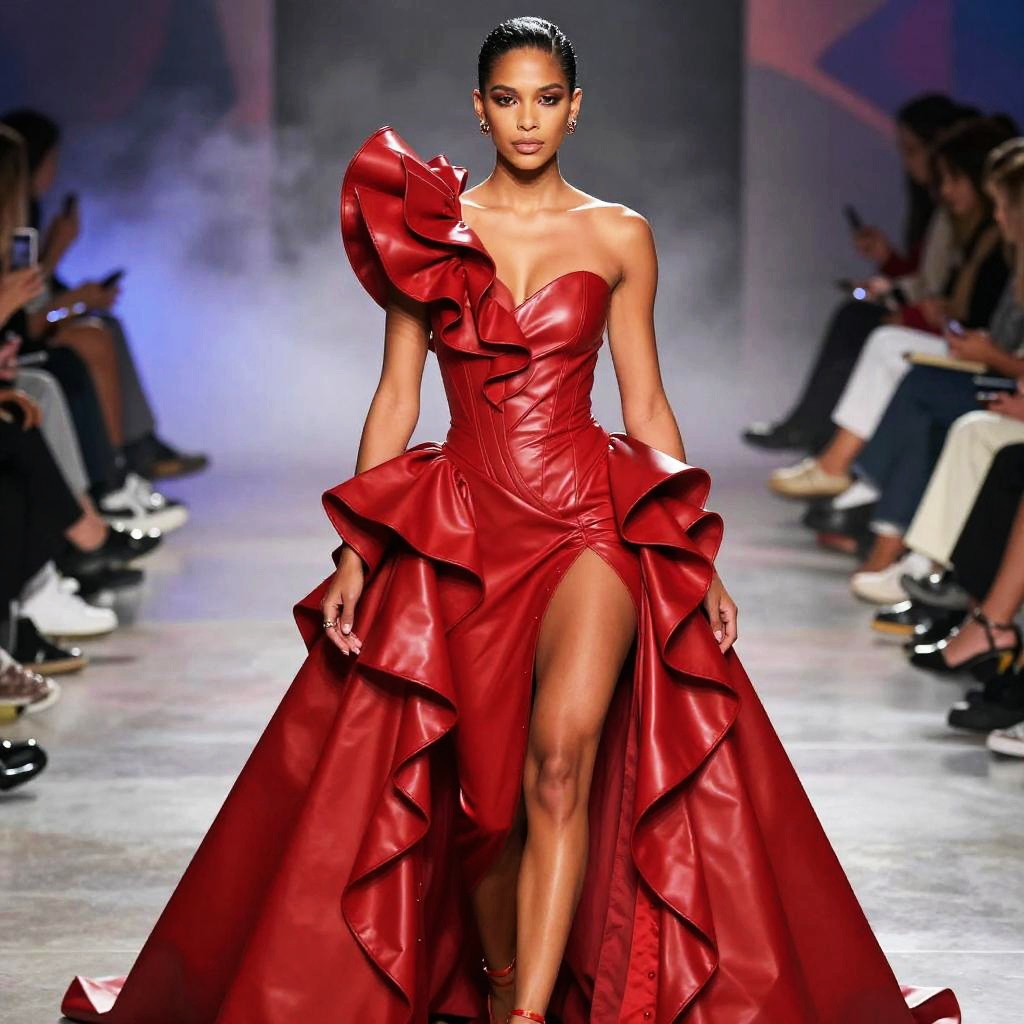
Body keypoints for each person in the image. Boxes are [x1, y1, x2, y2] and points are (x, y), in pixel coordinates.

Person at [59, 18, 959, 1024]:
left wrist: (695, 555)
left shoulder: (620, 234)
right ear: (478, 107)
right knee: (482, 813)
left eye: (545, 98)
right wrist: (358, 547)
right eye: (506, 98)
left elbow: (647, 405)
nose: (526, 118)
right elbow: (397, 397)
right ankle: (495, 988)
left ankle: (530, 1018)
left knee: (562, 759)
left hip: (591, 525)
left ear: (574, 107)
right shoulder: (429, 230)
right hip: (463, 531)